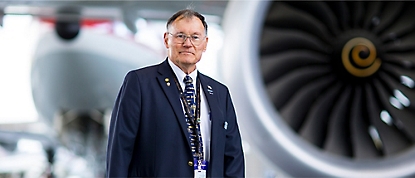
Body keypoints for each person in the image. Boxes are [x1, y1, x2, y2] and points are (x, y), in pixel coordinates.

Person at [106, 9, 245, 177]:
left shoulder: (219, 93)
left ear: (205, 43)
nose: (188, 43)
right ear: (166, 39)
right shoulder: (140, 83)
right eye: (180, 36)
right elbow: (120, 149)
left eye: (195, 37)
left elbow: (233, 155)